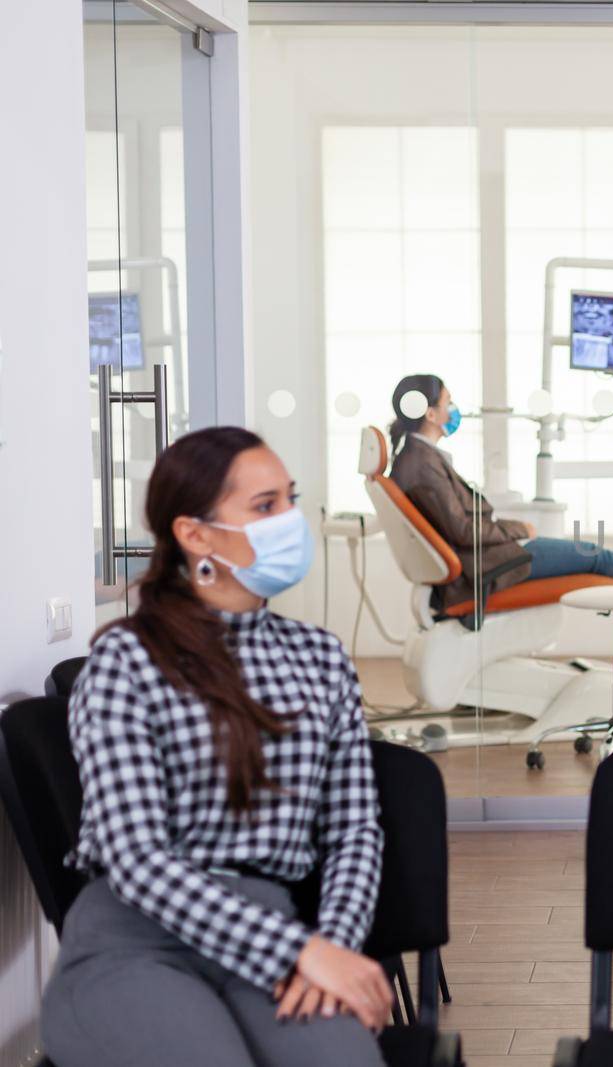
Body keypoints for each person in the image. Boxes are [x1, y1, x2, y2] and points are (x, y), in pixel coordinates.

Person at [43, 427, 391, 1067]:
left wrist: (332, 950)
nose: (290, 519)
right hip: (135, 938)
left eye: (291, 499)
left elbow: (353, 833)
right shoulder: (127, 659)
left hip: (278, 927)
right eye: (265, 507)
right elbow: (136, 858)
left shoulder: (321, 658)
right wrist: (298, 954)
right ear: (195, 535)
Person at [386, 373, 613, 614]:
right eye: (448, 402)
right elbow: (464, 531)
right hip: (488, 566)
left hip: (488, 557)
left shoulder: (416, 458)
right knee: (596, 557)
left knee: (593, 554)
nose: (454, 410)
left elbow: (459, 524)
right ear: (430, 414)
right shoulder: (422, 465)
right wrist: (519, 529)